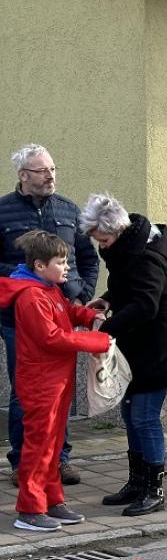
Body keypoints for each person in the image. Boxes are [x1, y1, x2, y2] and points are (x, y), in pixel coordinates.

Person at [78, 194, 167, 516]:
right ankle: (136, 483)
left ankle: (154, 488)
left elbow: (145, 304)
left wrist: (106, 330)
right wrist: (109, 300)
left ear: (118, 231)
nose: (102, 246)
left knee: (144, 417)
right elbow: (129, 288)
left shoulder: (146, 257)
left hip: (157, 349)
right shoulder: (129, 250)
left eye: (104, 239)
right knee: (130, 414)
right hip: (138, 346)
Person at [1, 144, 99, 488]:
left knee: (60, 389)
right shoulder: (3, 211)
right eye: (42, 171)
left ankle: (60, 459)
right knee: (25, 391)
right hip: (19, 317)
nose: (51, 176)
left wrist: (82, 292)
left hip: (63, 312)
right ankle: (22, 460)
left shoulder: (68, 210)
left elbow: (88, 257)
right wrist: (25, 280)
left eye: (53, 169)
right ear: (23, 175)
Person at [0, 231, 110, 531]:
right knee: (38, 445)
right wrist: (96, 341)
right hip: (40, 382)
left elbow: (66, 312)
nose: (67, 268)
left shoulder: (47, 289)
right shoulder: (31, 295)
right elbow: (50, 337)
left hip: (55, 380)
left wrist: (88, 316)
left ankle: (52, 501)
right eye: (61, 262)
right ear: (39, 265)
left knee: (53, 443)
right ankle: (30, 509)